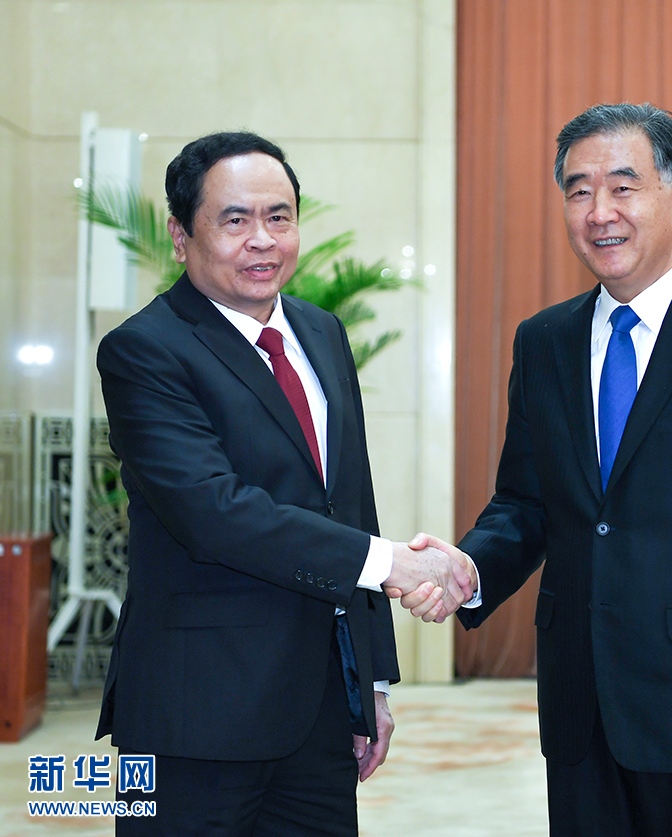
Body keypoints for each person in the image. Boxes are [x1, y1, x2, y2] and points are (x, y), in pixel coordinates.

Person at [398, 103, 672, 836]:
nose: (599, 211)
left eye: (623, 187)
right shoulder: (544, 341)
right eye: (578, 190)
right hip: (582, 714)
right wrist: (469, 568)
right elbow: (526, 503)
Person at [95, 130, 472, 836]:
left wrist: (372, 684)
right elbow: (214, 513)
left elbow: (350, 501)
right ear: (180, 236)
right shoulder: (144, 350)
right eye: (235, 220)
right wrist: (391, 563)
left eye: (279, 217)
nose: (262, 239)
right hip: (195, 717)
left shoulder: (321, 332)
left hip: (320, 713)